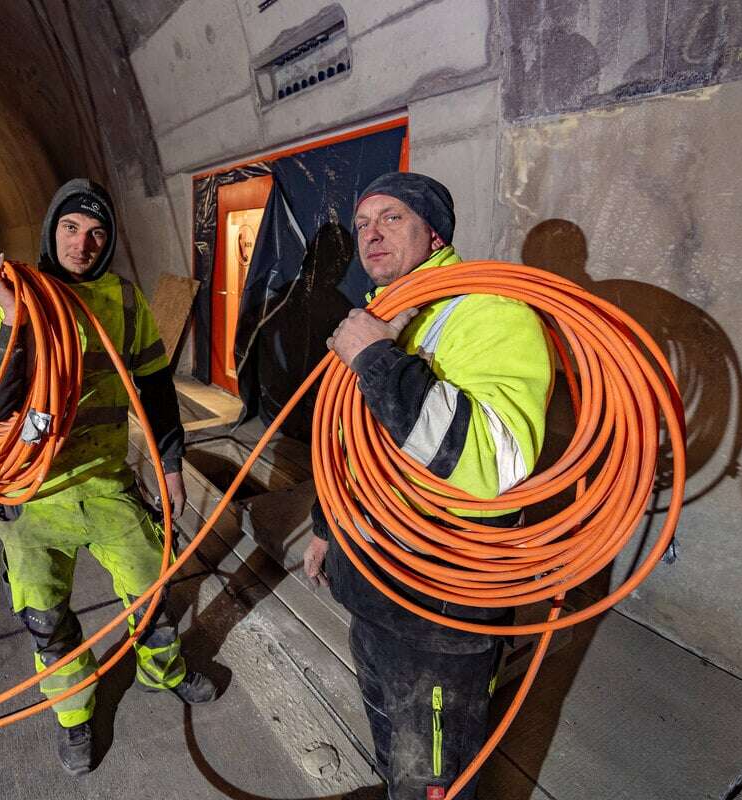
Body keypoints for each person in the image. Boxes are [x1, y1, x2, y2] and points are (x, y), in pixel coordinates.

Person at [302, 172, 552, 799]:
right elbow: (352, 447)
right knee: (392, 746)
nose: (371, 233)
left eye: (391, 217)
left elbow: (495, 461)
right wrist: (325, 530)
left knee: (434, 778)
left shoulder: (490, 312)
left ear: (433, 229)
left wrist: (377, 361)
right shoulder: (383, 315)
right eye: (362, 223)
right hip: (372, 584)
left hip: (439, 605)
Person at [0, 179, 217, 776]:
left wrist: (172, 462)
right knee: (46, 618)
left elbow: (156, 389)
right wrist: (9, 316)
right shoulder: (20, 297)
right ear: (53, 230)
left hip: (107, 483)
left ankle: (164, 673)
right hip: (32, 495)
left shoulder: (125, 302)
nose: (83, 242)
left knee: (152, 589)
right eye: (72, 228)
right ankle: (75, 717)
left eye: (96, 232)